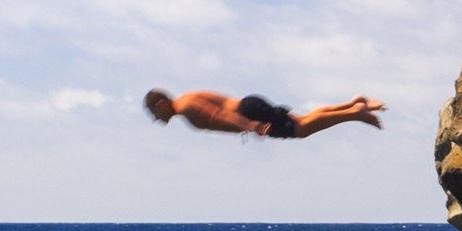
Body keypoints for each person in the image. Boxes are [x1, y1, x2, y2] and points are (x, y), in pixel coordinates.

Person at [143, 89, 385, 138]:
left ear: (162, 102)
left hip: (248, 113)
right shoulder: (187, 98)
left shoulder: (186, 106)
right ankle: (353, 104)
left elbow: (218, 115)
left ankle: (355, 112)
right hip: (249, 107)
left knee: (302, 129)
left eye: (154, 112)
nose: (156, 119)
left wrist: (251, 126)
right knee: (302, 121)